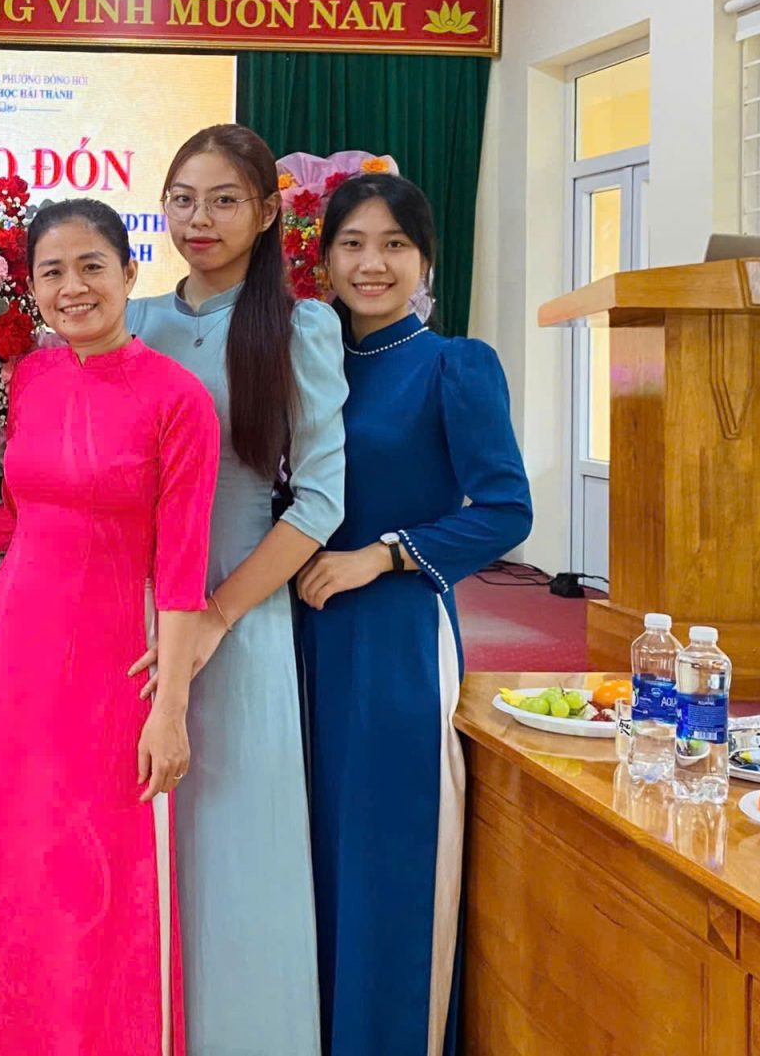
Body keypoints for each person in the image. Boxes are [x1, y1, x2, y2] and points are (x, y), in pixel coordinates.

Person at [0, 198, 223, 1056]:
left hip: (112, 661)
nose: (73, 287)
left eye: (92, 265)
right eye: (52, 271)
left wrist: (170, 707)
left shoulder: (179, 399)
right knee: (10, 859)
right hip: (17, 654)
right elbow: (20, 515)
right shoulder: (33, 376)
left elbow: (182, 570)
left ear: (130, 272)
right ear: (31, 286)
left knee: (94, 869)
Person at [295, 174, 531, 1056]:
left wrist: (383, 553)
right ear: (325, 258)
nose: (372, 263)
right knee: (310, 852)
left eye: (395, 244)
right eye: (353, 243)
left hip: (393, 639)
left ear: (426, 260)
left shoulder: (452, 364)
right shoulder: (307, 363)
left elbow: (505, 509)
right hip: (298, 635)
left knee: (387, 858)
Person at [126, 122, 347, 1056]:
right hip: (129, 618)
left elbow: (322, 501)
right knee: (135, 849)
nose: (200, 218)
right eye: (183, 199)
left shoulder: (299, 328)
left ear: (266, 214)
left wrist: (218, 615)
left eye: (224, 200)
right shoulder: (133, 319)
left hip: (239, 620)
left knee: (236, 856)